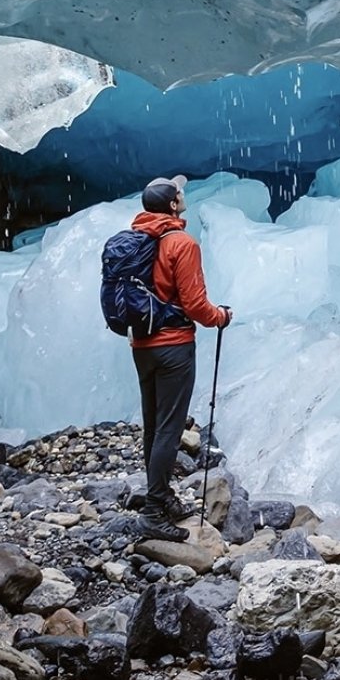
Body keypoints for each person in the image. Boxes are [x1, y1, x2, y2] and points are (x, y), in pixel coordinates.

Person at [129, 175, 232, 542]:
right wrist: (221, 316)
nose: (183, 195)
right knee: (170, 430)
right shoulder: (181, 244)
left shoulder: (138, 240)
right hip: (174, 347)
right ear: (172, 205)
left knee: (155, 425)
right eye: (179, 193)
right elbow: (195, 305)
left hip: (142, 346)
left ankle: (162, 497)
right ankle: (154, 511)